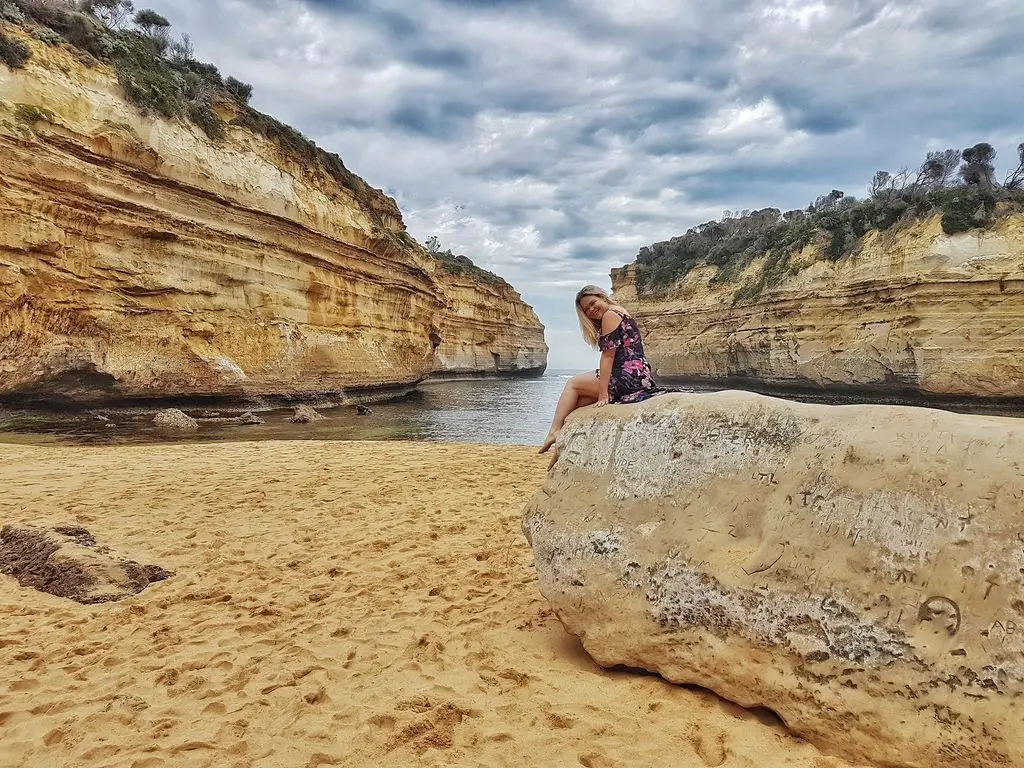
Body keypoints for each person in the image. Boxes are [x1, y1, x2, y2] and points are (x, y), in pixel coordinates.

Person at [539, 285, 660, 455]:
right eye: (586, 309)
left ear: (602, 296)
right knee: (577, 404)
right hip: (638, 374)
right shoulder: (620, 311)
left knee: (573, 384)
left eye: (593, 303)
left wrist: (604, 393)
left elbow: (608, 356)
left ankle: (553, 431)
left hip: (627, 376)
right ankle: (562, 448)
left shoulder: (610, 314)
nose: (591, 309)